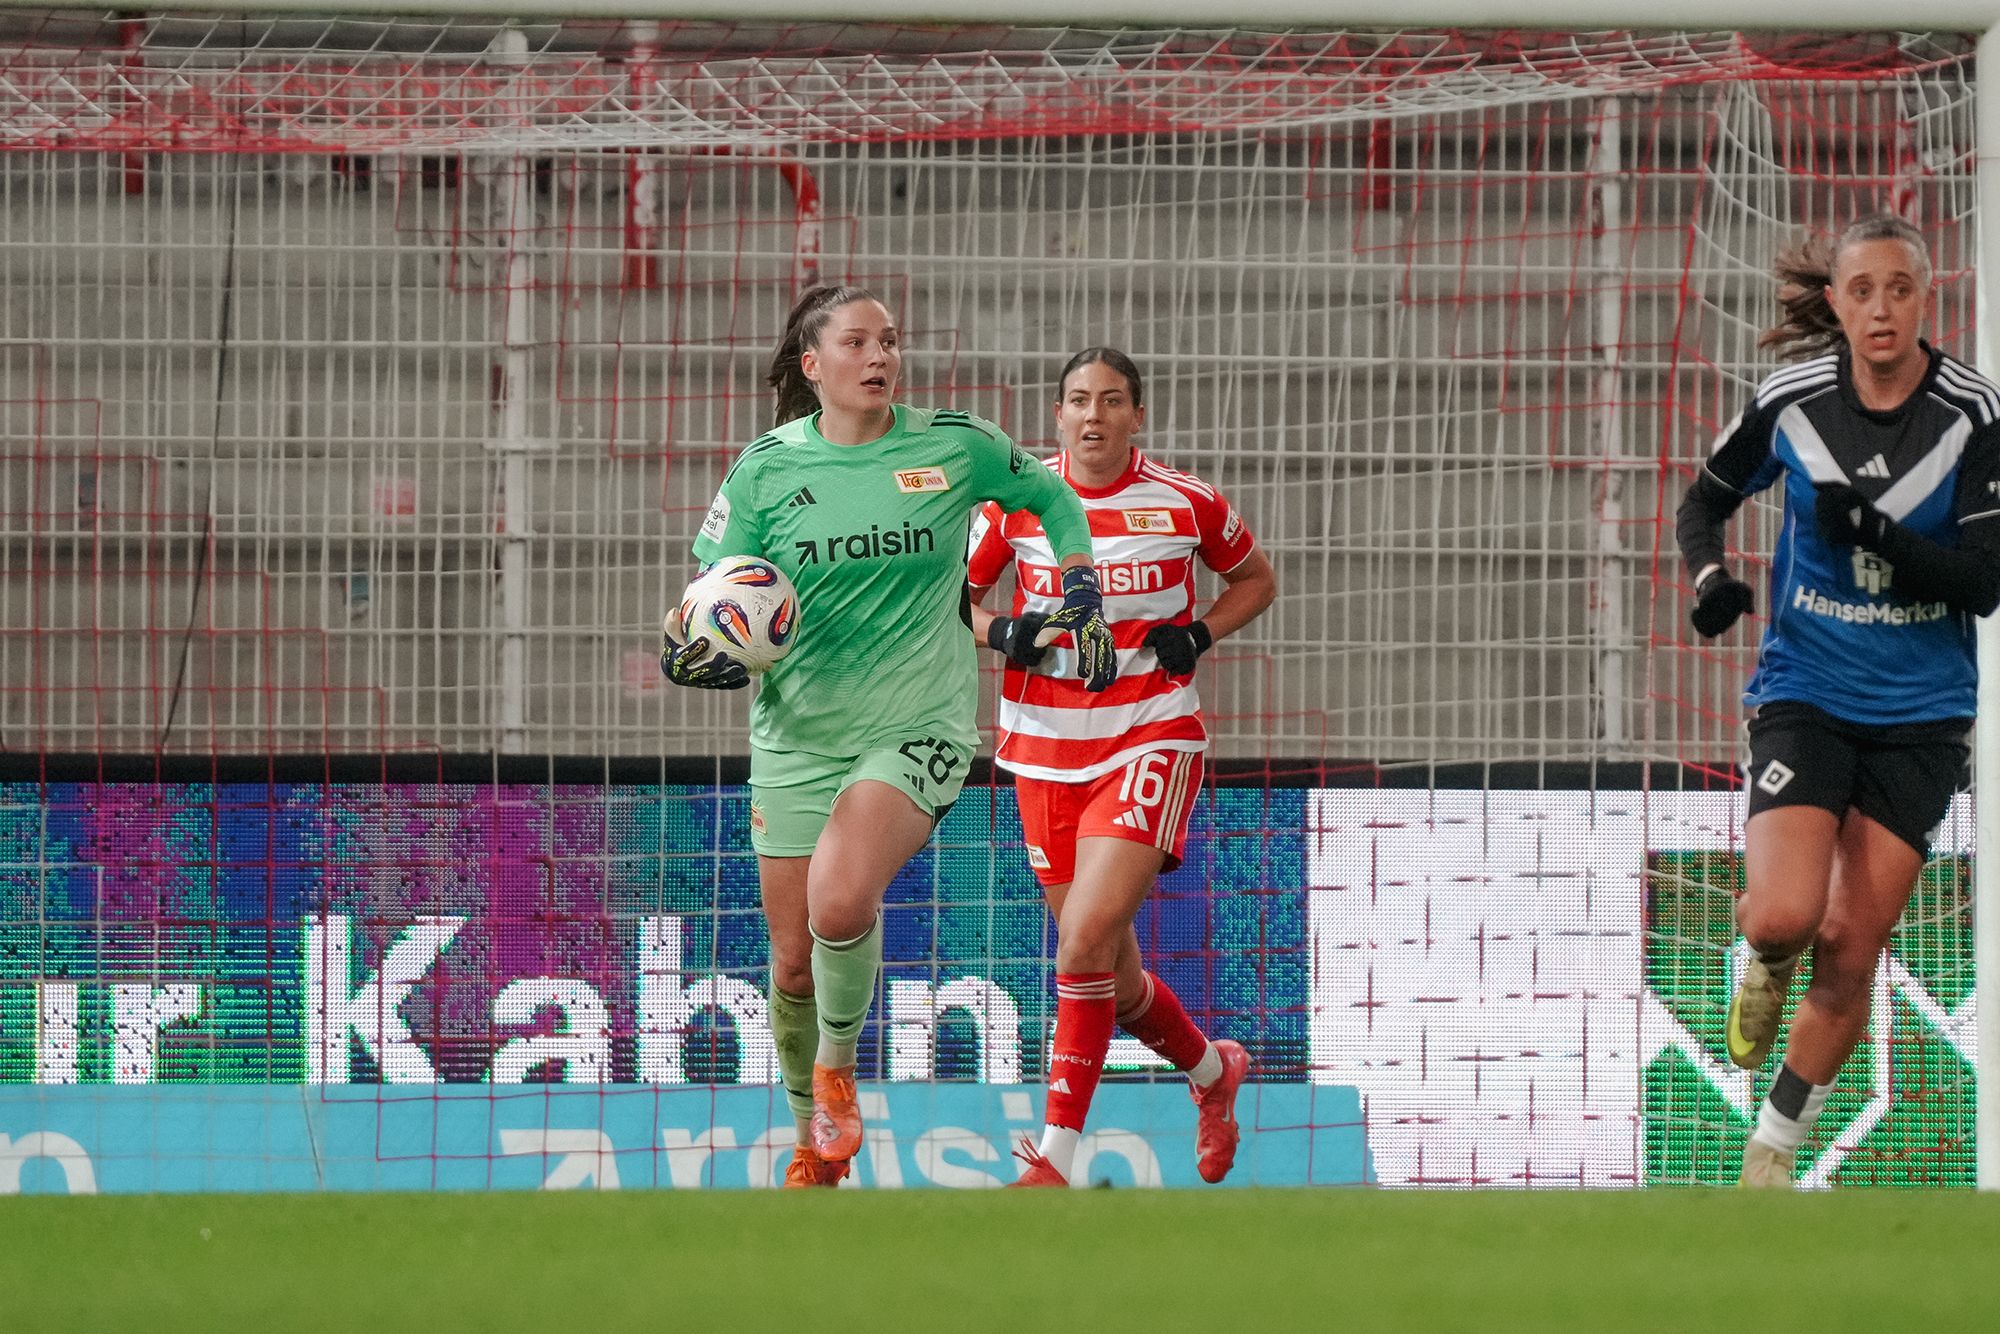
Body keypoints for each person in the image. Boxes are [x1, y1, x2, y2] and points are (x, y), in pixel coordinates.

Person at [660, 285, 1117, 1188]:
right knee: (791, 960)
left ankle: (837, 1069)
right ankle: (812, 1143)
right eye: (859, 342)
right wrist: (697, 646)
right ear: (813, 364)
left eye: (891, 341)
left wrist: (1079, 587)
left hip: (919, 723)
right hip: (796, 733)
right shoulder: (763, 470)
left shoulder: (952, 444)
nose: (880, 357)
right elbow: (719, 593)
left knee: (838, 901)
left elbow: (1052, 498)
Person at [1676, 214, 2000, 1189]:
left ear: (1922, 295)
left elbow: (1982, 582)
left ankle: (1769, 1154)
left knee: (1850, 948)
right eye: (1860, 291)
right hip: (1805, 691)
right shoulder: (1789, 399)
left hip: (1921, 712)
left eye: (1897, 288)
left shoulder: (1973, 412)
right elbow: (1702, 500)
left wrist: (1870, 527)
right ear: (1835, 303)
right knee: (1781, 915)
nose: (1880, 308)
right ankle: (1759, 959)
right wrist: (1707, 579)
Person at [966, 347, 1278, 1186]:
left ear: (1138, 415)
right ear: (1057, 415)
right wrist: (1000, 631)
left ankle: (1054, 1159)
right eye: (1077, 401)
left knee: (1080, 945)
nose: (1093, 415)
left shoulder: (1185, 502)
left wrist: (1201, 632)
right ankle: (1214, 1075)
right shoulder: (1016, 503)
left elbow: (1255, 577)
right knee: (1113, 971)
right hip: (1041, 748)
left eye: (1111, 401)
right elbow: (951, 599)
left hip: (1150, 736)